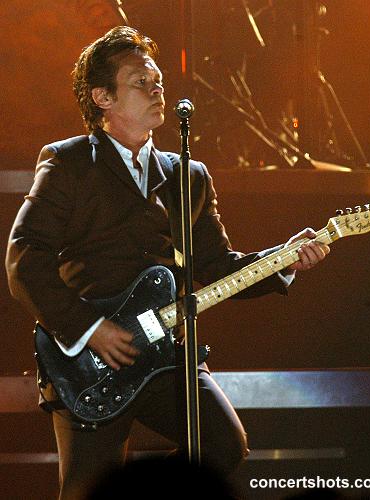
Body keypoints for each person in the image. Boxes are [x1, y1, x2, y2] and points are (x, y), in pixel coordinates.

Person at [5, 26, 330, 500]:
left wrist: (285, 259)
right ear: (103, 98)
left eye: (158, 81)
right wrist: (89, 328)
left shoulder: (188, 175)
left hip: (166, 350)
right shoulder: (68, 162)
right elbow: (24, 256)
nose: (157, 90)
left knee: (222, 447)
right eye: (141, 82)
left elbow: (217, 266)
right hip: (89, 360)